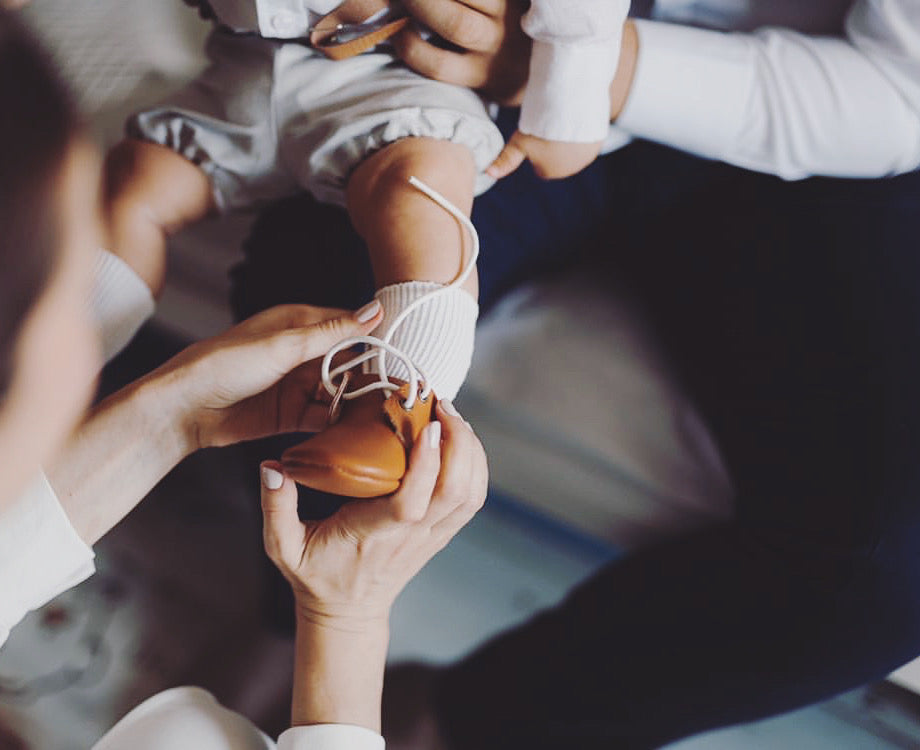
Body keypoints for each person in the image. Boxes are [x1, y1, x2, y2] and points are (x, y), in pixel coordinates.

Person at [229, 0, 920, 748]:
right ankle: (298, 611)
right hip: (500, 61)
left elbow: (902, 86)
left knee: (895, 573)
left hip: (838, 140)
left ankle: (469, 721)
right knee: (324, 312)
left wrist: (590, 65)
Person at [0, 8, 487, 748]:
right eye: (63, 293)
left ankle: (398, 398)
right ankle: (400, 404)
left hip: (384, 98)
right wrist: (345, 621)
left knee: (419, 196)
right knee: (136, 188)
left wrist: (173, 415)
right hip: (256, 86)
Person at [93, 0, 627, 499]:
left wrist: (567, 99)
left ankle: (400, 411)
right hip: (244, 72)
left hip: (392, 77)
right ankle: (67, 343)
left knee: (420, 194)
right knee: (133, 184)